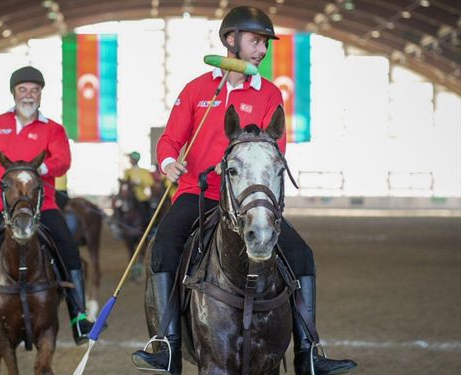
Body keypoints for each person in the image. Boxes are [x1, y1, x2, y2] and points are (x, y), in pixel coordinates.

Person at [131, 6, 357, 375]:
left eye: (265, 44)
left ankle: (308, 354)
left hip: (248, 198)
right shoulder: (197, 90)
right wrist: (169, 161)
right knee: (165, 247)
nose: (262, 50)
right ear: (230, 40)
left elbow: (272, 151)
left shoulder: (268, 93)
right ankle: (167, 347)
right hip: (197, 192)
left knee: (302, 256)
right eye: (256, 41)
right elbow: (171, 140)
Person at [0, 66, 94, 346]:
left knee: (69, 254)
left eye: (34, 90)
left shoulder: (53, 128)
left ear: (41, 94)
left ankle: (79, 316)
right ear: (14, 93)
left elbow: (63, 160)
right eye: (23, 90)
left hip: (43, 206)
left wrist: (38, 170)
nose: (29, 95)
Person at [122, 151, 155, 226]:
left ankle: (148, 227)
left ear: (136, 160)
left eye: (131, 158)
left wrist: (140, 183)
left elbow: (150, 183)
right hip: (129, 197)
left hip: (141, 197)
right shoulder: (127, 171)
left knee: (146, 214)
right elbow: (125, 183)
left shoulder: (144, 171)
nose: (130, 160)